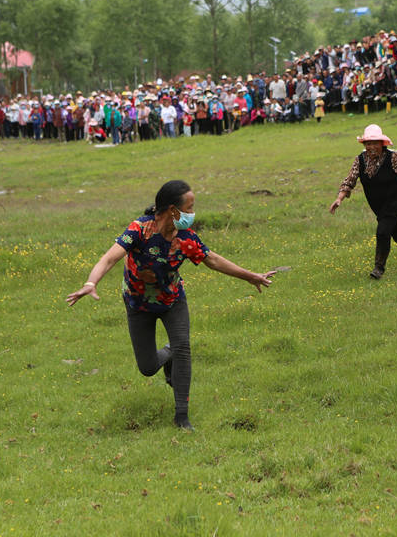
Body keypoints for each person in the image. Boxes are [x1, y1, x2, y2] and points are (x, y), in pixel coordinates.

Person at [66, 180, 275, 431]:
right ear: (170, 210)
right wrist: (91, 282)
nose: (192, 214)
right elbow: (110, 258)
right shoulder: (139, 230)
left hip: (172, 301)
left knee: (183, 347)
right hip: (138, 304)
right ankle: (168, 355)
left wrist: (251, 276)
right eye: (188, 208)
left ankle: (182, 417)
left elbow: (215, 261)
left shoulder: (186, 238)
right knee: (147, 367)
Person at [329, 124, 397, 279]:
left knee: (383, 232)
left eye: (375, 143)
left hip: (395, 202)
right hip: (379, 207)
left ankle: (378, 269)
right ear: (364, 145)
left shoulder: (392, 158)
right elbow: (350, 180)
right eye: (368, 143)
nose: (372, 147)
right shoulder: (359, 161)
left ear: (382, 143)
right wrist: (339, 198)